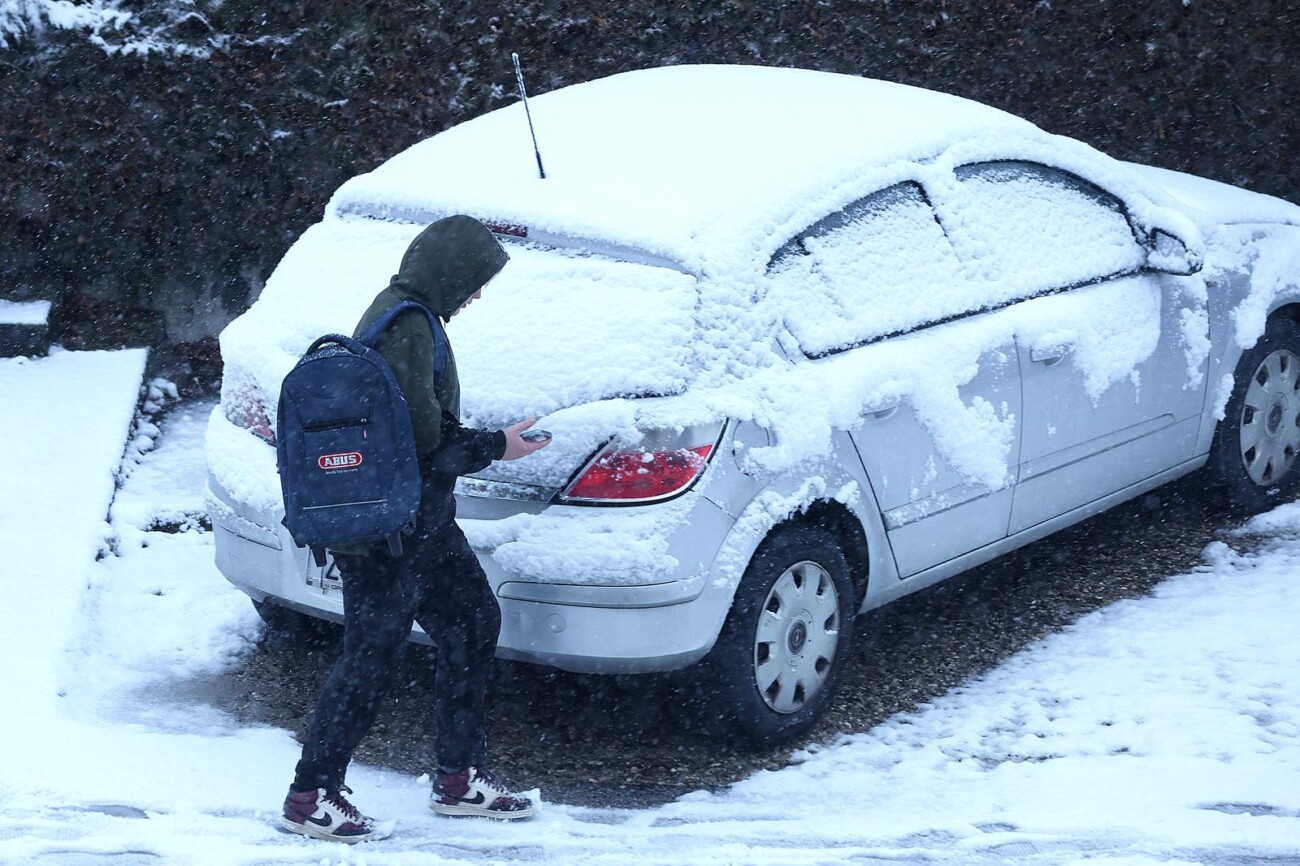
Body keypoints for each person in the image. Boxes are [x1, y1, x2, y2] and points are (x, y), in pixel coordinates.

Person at [280, 215, 550, 843]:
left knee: (473, 620)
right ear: (449, 271)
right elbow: (426, 443)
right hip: (390, 529)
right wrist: (499, 446)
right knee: (372, 655)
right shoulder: (407, 325)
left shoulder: (405, 313)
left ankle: (459, 780)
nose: (476, 294)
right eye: (474, 280)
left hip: (418, 521)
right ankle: (311, 794)